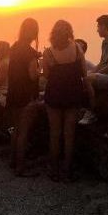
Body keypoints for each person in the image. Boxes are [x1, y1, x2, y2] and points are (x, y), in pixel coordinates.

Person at [43, 20, 87, 183]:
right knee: (69, 134)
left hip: (54, 94)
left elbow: (46, 75)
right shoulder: (77, 48)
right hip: (73, 94)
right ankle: (67, 170)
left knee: (55, 133)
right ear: (69, 32)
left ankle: (53, 169)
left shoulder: (48, 52)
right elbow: (83, 72)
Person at [6, 18, 41, 176]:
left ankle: (13, 160)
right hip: (27, 95)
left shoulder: (14, 48)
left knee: (16, 129)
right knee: (24, 132)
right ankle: (21, 168)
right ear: (34, 33)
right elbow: (33, 76)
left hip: (13, 93)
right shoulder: (30, 52)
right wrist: (43, 70)